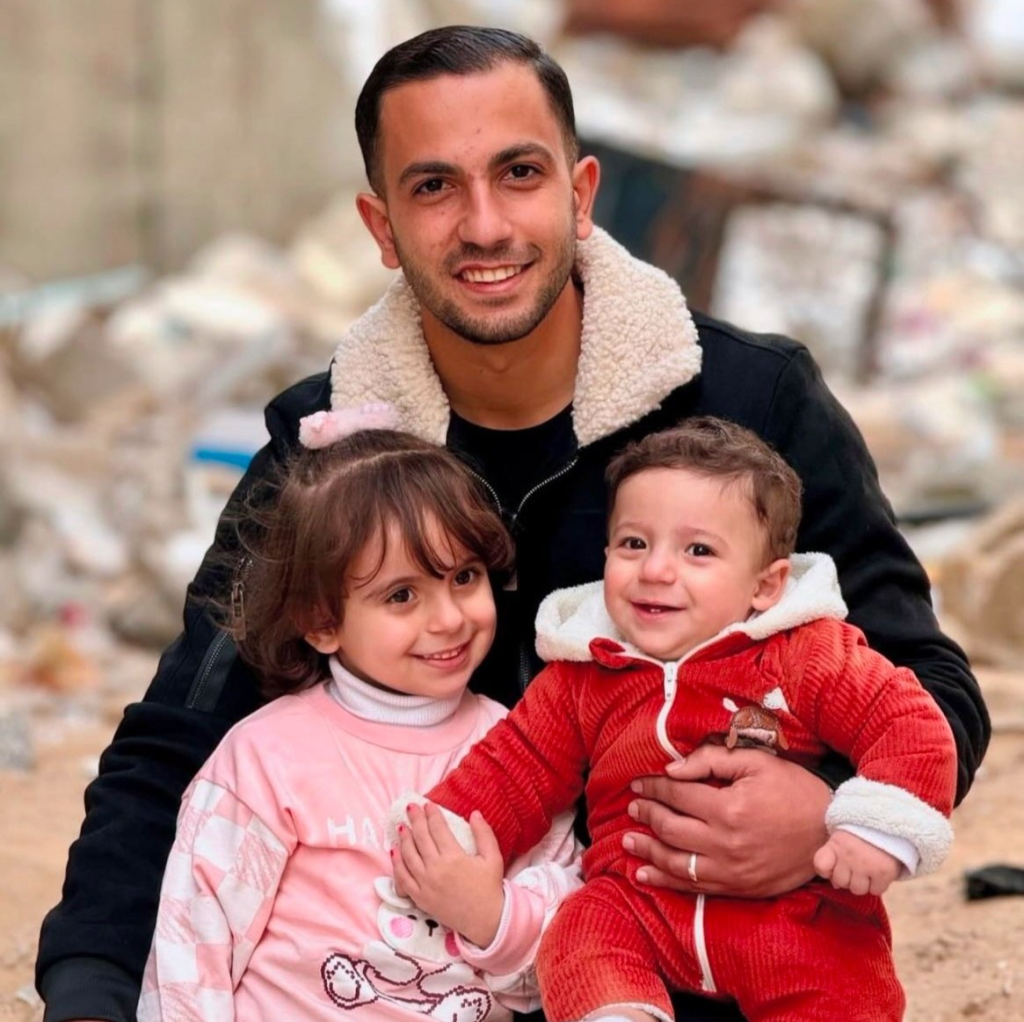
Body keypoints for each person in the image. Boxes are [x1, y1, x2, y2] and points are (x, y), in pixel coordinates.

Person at [37, 24, 987, 1022]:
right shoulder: (330, 452)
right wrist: (90, 986)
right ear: (380, 225)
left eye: (519, 173)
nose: (484, 225)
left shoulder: (753, 402)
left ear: (580, 194)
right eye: (434, 186)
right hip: (404, 983)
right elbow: (180, 738)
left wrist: (823, 802)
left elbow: (926, 682)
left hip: (707, 971)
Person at [392, 417, 957, 1022]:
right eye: (634, 544)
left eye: (698, 551)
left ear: (766, 586)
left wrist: (875, 832)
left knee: (844, 975)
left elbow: (907, 723)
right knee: (579, 931)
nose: (656, 570)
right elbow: (518, 764)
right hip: (641, 897)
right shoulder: (586, 673)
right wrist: (447, 831)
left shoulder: (805, 654)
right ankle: (616, 1012)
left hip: (794, 907)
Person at [136, 415, 582, 1022]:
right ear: (322, 622)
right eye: (402, 595)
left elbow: (568, 955)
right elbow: (193, 951)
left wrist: (491, 916)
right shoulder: (268, 757)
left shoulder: (519, 747)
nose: (449, 618)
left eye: (465, 577)